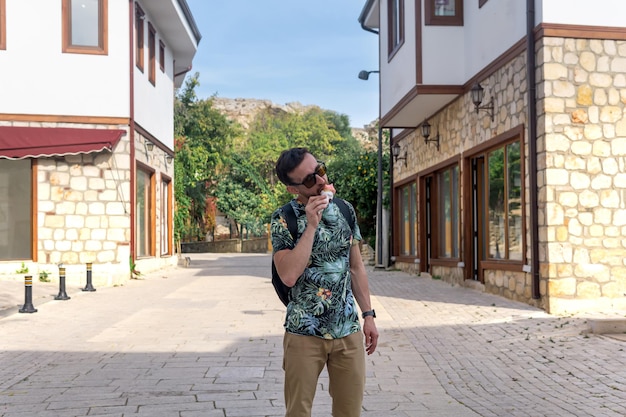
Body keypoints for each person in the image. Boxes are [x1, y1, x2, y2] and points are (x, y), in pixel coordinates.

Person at [270, 147, 379, 417]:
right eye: (309, 180)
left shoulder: (345, 210)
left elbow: (356, 267)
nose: (320, 180)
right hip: (304, 332)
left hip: (347, 329)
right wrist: (311, 225)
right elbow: (288, 275)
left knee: (349, 412)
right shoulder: (284, 218)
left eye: (319, 170)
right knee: (298, 412)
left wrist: (368, 315)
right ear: (292, 189)